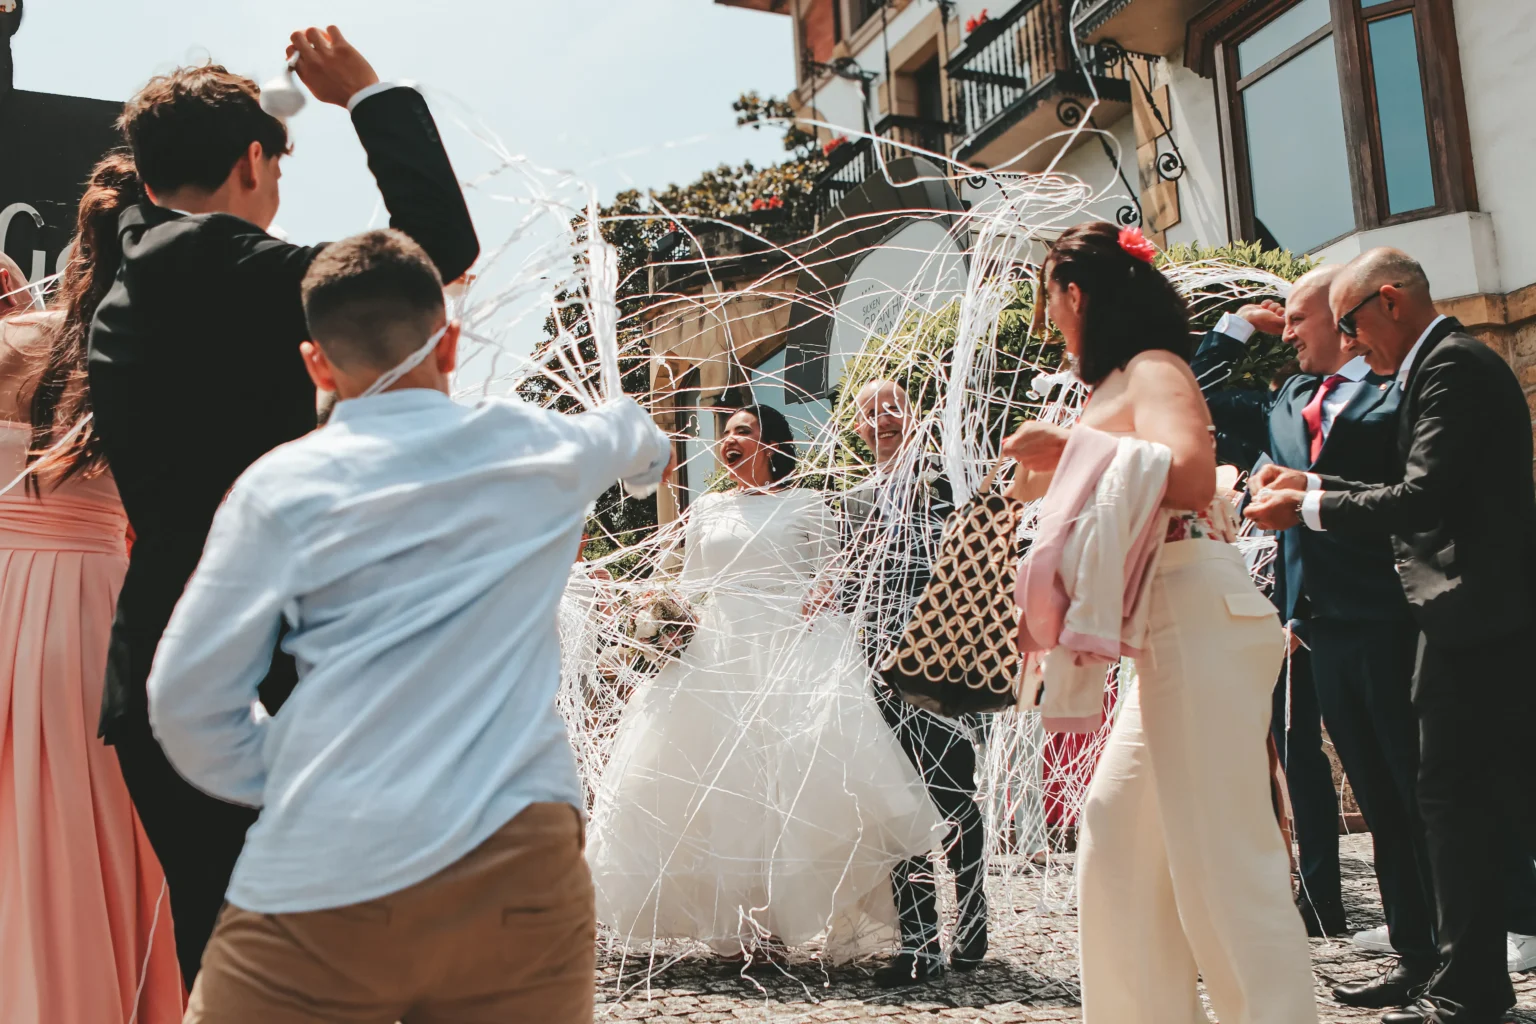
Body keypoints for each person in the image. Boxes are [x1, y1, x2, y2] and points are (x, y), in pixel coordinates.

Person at [143, 229, 659, 1022]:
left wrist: (291, 773)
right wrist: (640, 446)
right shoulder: (543, 446)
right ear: (447, 343)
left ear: (317, 363)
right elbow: (637, 440)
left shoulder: (281, 485)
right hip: (517, 860)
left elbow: (185, 698)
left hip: (322, 868)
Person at [86, 28, 479, 982]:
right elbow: (440, 247)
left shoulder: (118, 285)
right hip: (272, 676)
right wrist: (369, 96)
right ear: (254, 159)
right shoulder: (242, 271)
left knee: (218, 955)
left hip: (156, 673)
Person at [1003, 222, 1316, 1024]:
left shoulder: (1155, 369)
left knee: (1223, 863)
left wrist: (1068, 450)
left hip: (1198, 615)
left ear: (1075, 295)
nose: (1049, 321)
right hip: (1158, 626)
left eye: (1050, 300)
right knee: (1118, 846)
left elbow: (1182, 474)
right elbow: (1088, 481)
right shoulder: (1106, 387)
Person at [1247, 248, 1536, 1024]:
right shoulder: (1436, 366)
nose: (1351, 341)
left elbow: (1423, 495)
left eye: (1352, 323)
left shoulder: (1455, 368)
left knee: (1454, 799)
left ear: (1391, 302)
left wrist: (1307, 508)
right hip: (1457, 620)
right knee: (1456, 798)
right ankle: (1464, 981)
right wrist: (1312, 484)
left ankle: (1468, 987)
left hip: (1476, 618)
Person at [586, 403, 942, 964]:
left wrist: (822, 592)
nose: (729, 440)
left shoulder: (805, 502)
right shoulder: (706, 509)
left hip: (789, 653)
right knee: (723, 785)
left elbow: (835, 568)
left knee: (788, 786)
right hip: (719, 658)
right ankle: (735, 925)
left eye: (743, 432)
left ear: (771, 446)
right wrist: (662, 618)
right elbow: (690, 584)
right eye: (725, 433)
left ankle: (784, 920)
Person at [1193, 267, 1443, 1003]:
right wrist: (1245, 325)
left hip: (1393, 614)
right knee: (1374, 794)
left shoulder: (1394, 389)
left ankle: (1468, 945)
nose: (1292, 332)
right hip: (1316, 622)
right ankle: (1414, 956)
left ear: (1345, 321)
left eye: (1302, 321)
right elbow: (1197, 393)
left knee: (1417, 789)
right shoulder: (1291, 397)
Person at [0, 153, 184, 1024]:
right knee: (98, 829)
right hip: (98, 612)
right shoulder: (155, 363)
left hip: (5, 599)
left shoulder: (10, 343)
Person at [839, 379, 987, 987]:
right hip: (877, 660)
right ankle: (920, 941)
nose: (882, 419)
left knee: (952, 791)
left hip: (944, 658)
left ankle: (973, 915)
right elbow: (850, 587)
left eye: (892, 407)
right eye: (869, 413)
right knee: (898, 797)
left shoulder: (950, 481)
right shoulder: (849, 502)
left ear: (917, 415)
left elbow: (980, 565)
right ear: (855, 430)